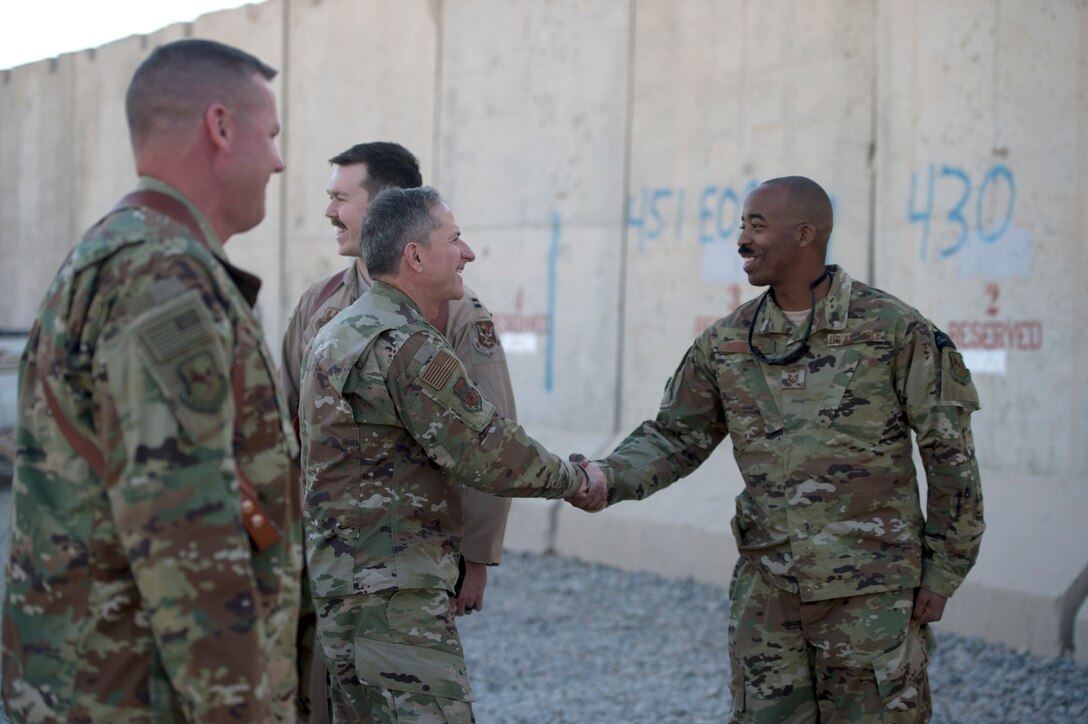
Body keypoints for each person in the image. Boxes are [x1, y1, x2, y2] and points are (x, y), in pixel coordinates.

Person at [589, 176, 984, 722]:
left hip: (871, 597)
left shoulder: (895, 331)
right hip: (769, 595)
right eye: (742, 225)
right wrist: (608, 478)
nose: (742, 240)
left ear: (805, 235)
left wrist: (944, 573)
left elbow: (950, 458)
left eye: (757, 225)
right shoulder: (727, 342)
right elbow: (676, 435)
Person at [1, 39, 303, 722]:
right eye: (273, 135)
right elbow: (182, 526)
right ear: (221, 127)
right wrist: (238, 710)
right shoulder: (163, 276)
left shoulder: (125, 253)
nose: (280, 160)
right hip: (137, 694)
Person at [299, 186, 605, 722]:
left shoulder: (338, 332)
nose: (468, 253)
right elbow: (487, 449)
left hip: (346, 588)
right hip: (395, 598)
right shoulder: (405, 345)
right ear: (415, 256)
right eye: (455, 239)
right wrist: (575, 479)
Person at [281, 142, 511, 619]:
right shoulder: (317, 303)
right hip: (321, 552)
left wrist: (475, 554)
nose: (329, 211)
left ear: (385, 206)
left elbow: (492, 435)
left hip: (407, 564)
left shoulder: (458, 315)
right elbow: (282, 419)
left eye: (341, 199)